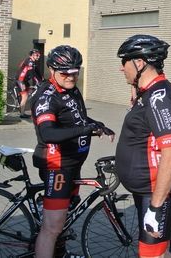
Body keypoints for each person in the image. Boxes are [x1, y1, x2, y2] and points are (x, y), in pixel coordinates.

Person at [115, 34, 171, 258]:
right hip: (146, 190)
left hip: (156, 193)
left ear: (139, 63)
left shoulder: (160, 97)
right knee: (158, 253)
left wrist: (156, 206)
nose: (121, 68)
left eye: (124, 61)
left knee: (152, 255)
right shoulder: (149, 93)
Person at [31, 45, 115, 258]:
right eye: (65, 73)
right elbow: (48, 133)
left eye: (75, 72)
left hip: (73, 163)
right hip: (57, 165)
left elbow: (78, 118)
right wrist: (85, 130)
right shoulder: (47, 96)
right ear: (52, 70)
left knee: (66, 215)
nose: (71, 77)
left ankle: (58, 251)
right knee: (52, 228)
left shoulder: (71, 89)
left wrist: (97, 125)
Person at [15, 49, 42, 118]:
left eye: (39, 55)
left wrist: (42, 79)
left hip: (25, 80)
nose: (38, 56)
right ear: (32, 55)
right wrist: (37, 81)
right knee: (25, 96)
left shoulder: (34, 62)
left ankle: (21, 101)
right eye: (37, 55)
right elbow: (32, 73)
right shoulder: (29, 61)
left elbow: (37, 72)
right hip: (20, 80)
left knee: (30, 91)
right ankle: (22, 114)